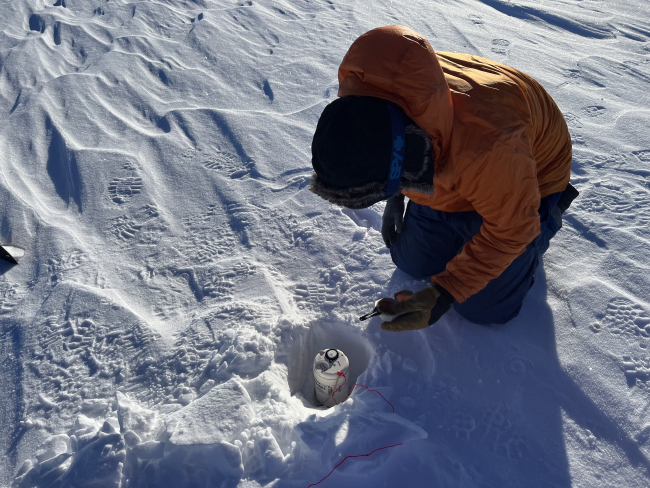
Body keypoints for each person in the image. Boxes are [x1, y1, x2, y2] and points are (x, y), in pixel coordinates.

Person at [309, 25, 579, 331]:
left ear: (409, 158)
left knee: (483, 308)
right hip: (458, 166)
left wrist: (446, 292)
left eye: (388, 187)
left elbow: (511, 230)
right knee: (410, 261)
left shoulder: (489, 145)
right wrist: (396, 196)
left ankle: (548, 217)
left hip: (529, 175)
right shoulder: (369, 96)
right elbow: (379, 143)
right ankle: (469, 225)